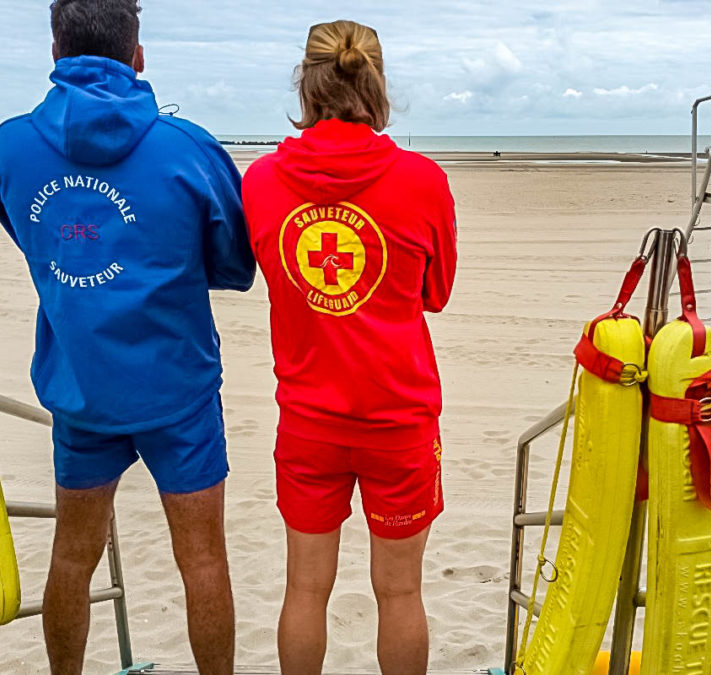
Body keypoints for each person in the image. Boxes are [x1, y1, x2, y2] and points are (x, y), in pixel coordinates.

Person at [0, 1, 255, 672]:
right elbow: (234, 262)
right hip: (177, 388)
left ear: (55, 50)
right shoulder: (186, 147)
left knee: (72, 555)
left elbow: (30, 234)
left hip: (81, 386)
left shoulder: (14, 143)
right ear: (138, 55)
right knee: (202, 558)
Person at [241, 20, 458, 675]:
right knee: (401, 591)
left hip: (309, 421)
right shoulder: (422, 181)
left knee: (305, 587)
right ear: (377, 85)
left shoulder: (261, 182)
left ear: (305, 87)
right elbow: (436, 293)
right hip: (398, 419)